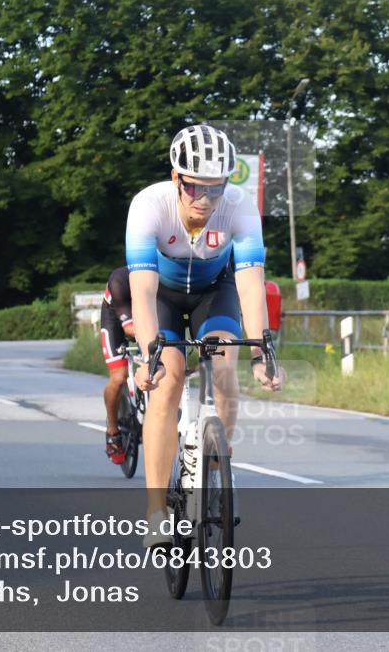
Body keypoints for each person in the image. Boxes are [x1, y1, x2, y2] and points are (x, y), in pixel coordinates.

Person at [126, 124, 283, 547]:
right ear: (177, 178)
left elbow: (251, 285)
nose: (205, 200)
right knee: (168, 378)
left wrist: (261, 351)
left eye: (215, 189)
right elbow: (141, 292)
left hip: (216, 293)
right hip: (164, 296)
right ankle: (156, 510)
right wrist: (148, 355)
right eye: (195, 188)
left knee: (225, 363)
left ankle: (213, 474)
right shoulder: (148, 206)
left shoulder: (239, 207)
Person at [99, 266, 136, 465]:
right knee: (119, 376)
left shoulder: (165, 275)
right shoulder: (119, 280)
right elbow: (130, 329)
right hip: (115, 318)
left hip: (142, 313)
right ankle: (113, 431)